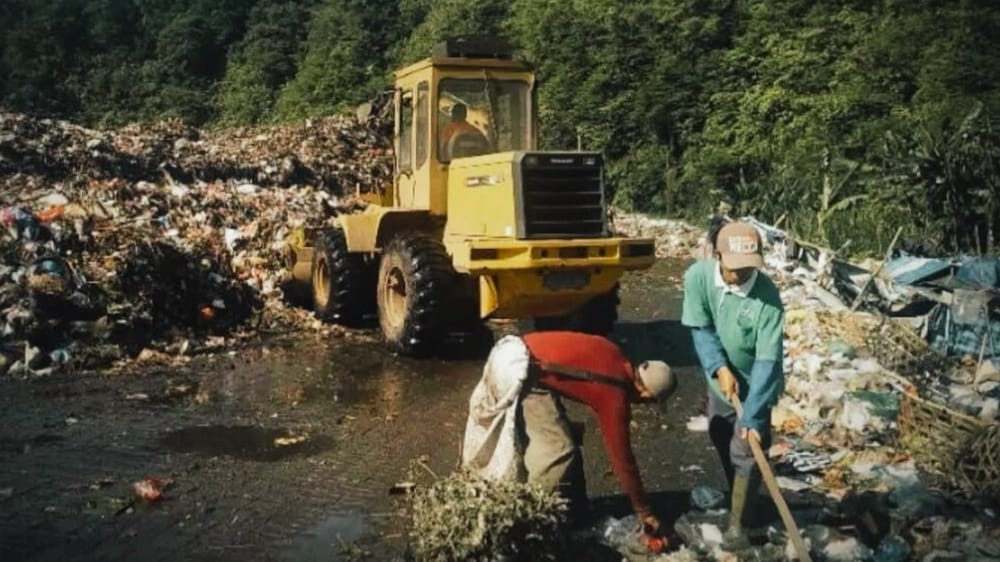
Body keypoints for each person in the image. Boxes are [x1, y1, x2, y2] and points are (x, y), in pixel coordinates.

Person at [461, 331, 676, 545]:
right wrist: (644, 511)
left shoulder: (614, 353)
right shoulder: (614, 394)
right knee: (559, 452)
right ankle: (526, 525)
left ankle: (574, 509)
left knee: (567, 434)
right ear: (646, 394)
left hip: (511, 350)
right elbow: (622, 458)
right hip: (524, 371)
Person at [680, 221, 785, 550]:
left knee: (747, 446)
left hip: (757, 384)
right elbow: (701, 327)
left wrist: (753, 416)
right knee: (720, 431)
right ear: (716, 256)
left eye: (748, 268)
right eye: (733, 268)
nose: (741, 275)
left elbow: (768, 361)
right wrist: (717, 366)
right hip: (722, 381)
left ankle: (739, 525)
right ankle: (744, 490)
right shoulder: (697, 277)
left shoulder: (768, 299)